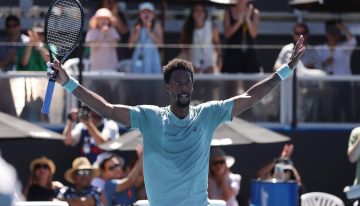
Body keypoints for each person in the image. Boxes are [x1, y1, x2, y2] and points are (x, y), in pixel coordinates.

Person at [47, 34, 305, 205]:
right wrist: (67, 83)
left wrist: (286, 70)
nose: (184, 86)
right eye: (178, 82)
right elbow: (107, 109)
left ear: (192, 86)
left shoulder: (208, 114)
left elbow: (249, 97)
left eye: (187, 81)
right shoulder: (149, 117)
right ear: (168, 88)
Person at [273, 22, 326, 123]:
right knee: (285, 118)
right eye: (297, 33)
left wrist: (308, 69)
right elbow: (276, 67)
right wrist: (288, 67)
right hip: (288, 91)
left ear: (307, 34)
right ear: (293, 34)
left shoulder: (312, 51)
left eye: (303, 33)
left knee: (308, 118)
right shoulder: (286, 49)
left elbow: (320, 71)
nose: (300, 36)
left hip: (308, 92)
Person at [316, 20, 357, 121]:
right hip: (327, 84)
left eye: (335, 34)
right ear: (327, 35)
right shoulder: (320, 49)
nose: (333, 36)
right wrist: (325, 63)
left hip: (344, 83)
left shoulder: (344, 48)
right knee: (331, 109)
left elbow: (353, 41)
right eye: (330, 33)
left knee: (347, 108)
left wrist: (342, 27)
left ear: (338, 35)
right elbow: (316, 66)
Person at [179, 3, 222, 74]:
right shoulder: (187, 28)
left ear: (205, 13)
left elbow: (217, 44)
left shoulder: (212, 27)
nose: (199, 13)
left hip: (210, 65)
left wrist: (219, 59)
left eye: (201, 10)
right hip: (194, 65)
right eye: (196, 10)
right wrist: (190, 65)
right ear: (192, 13)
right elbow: (184, 48)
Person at [222, 0, 261, 73]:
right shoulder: (228, 12)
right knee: (232, 82)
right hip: (232, 53)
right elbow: (227, 34)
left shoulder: (255, 12)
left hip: (249, 54)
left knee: (251, 81)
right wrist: (239, 22)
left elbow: (254, 34)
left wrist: (247, 19)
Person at [128, 2, 163, 73]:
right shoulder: (136, 26)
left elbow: (160, 45)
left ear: (153, 15)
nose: (146, 14)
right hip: (138, 56)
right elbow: (130, 45)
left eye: (149, 12)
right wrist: (137, 32)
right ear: (140, 15)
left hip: (152, 57)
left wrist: (149, 30)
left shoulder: (157, 25)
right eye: (144, 12)